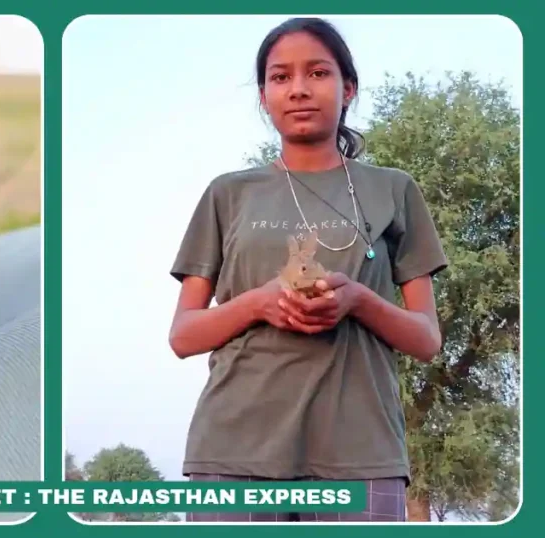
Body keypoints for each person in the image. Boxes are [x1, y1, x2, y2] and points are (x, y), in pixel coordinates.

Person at [168, 17, 448, 523]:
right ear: (263, 96)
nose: (298, 89)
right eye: (280, 77)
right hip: (235, 450)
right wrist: (259, 301)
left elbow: (427, 339)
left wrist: (358, 301)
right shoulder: (228, 194)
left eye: (317, 73)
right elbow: (184, 335)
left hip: (363, 452)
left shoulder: (394, 190)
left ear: (348, 88)